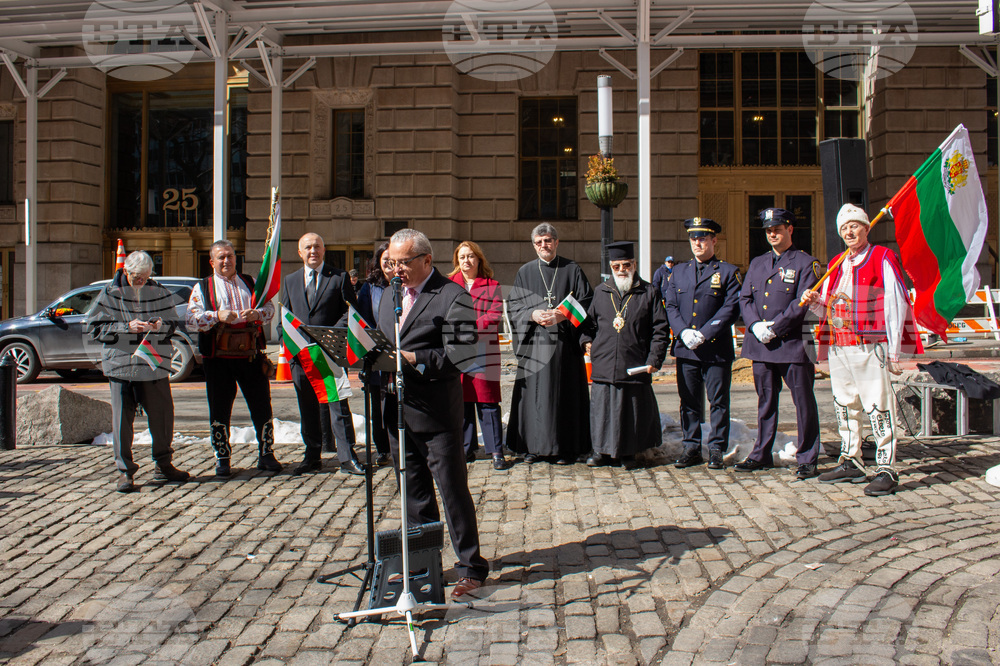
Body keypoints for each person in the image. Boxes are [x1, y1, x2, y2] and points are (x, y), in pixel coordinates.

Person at [377, 228, 489, 599]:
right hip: (397, 410)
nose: (396, 270)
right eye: (391, 263)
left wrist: (415, 359)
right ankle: (423, 563)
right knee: (413, 492)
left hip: (437, 414)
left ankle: (471, 566)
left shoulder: (452, 296)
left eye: (403, 263)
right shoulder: (388, 295)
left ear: (426, 260)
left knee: (452, 490)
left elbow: (464, 355)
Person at [802, 203, 923, 496]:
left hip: (869, 345)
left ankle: (886, 468)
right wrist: (814, 300)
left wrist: (895, 349)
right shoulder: (837, 263)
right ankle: (851, 460)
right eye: (844, 228)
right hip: (839, 347)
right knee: (845, 407)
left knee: (878, 407)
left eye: (854, 225)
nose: (849, 232)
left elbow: (895, 301)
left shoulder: (882, 257)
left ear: (867, 228)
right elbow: (830, 309)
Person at [88, 251, 190, 493]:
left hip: (153, 364)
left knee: (163, 416)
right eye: (137, 278)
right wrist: (126, 327)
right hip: (121, 365)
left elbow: (173, 322)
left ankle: (163, 465)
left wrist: (160, 325)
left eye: (145, 277)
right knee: (122, 421)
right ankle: (125, 472)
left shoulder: (158, 290)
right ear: (126, 272)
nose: (141, 282)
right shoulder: (109, 293)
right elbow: (95, 328)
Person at [735, 208, 824, 479]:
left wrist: (776, 327)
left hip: (793, 344)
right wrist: (755, 325)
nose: (773, 234)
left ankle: (807, 457)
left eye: (778, 229)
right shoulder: (758, 262)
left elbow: (802, 304)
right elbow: (745, 299)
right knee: (765, 402)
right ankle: (761, 453)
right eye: (768, 230)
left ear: (790, 230)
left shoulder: (806, 263)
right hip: (761, 343)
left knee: (803, 403)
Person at [186, 239, 280, 476]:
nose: (226, 261)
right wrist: (217, 315)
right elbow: (191, 319)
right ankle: (222, 457)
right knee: (219, 408)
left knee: (261, 405)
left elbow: (270, 310)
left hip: (250, 355)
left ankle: (267, 453)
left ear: (235, 258)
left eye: (229, 256)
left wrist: (257, 313)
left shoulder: (249, 282)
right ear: (212, 261)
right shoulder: (203, 287)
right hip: (218, 359)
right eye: (221, 257)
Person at [278, 232, 365, 476]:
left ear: (324, 250)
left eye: (317, 246)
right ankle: (312, 455)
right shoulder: (290, 280)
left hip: (329, 354)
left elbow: (350, 312)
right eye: (307, 247)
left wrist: (328, 336)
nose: (312, 251)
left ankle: (347, 457)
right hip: (301, 356)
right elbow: (284, 319)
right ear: (300, 253)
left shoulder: (338, 278)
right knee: (307, 409)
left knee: (338, 407)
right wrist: (290, 346)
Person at [506, 223, 593, 464]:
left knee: (562, 395)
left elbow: (586, 301)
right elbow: (514, 306)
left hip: (564, 346)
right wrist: (533, 315)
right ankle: (533, 447)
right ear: (534, 245)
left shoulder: (572, 269)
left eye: (548, 240)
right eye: (539, 242)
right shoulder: (525, 271)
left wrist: (562, 314)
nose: (544, 245)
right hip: (535, 344)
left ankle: (565, 449)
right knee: (535, 397)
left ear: (556, 242)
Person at [581, 242, 670, 469]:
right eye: (617, 265)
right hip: (604, 363)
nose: (622, 269)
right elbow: (587, 326)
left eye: (626, 265)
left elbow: (660, 330)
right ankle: (601, 451)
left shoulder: (649, 292)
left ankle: (629, 452)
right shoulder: (601, 292)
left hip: (634, 363)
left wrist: (654, 360)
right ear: (611, 266)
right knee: (603, 411)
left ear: (634, 265)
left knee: (630, 411)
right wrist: (586, 341)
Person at [664, 217, 742, 470]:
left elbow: (731, 307)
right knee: (689, 401)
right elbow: (672, 306)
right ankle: (691, 446)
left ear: (714, 241)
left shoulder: (728, 272)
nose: (698, 243)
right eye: (694, 238)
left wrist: (706, 332)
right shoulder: (677, 272)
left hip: (715, 348)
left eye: (703, 238)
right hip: (686, 348)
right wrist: (683, 331)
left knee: (718, 401)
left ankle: (717, 447)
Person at [448, 241, 508, 471]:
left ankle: (495, 451)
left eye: (471, 256)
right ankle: (466, 448)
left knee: (488, 402)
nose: (466, 261)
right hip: (457, 351)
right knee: (462, 401)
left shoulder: (492, 285)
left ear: (479, 259)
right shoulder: (449, 285)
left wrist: (469, 329)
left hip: (484, 350)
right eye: (462, 257)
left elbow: (494, 315)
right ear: (457, 261)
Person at [355, 242, 392, 468]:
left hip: (401, 353)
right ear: (378, 261)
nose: (388, 263)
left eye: (393, 258)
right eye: (384, 258)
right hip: (377, 354)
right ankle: (383, 448)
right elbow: (363, 319)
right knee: (378, 405)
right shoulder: (370, 288)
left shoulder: (404, 283)